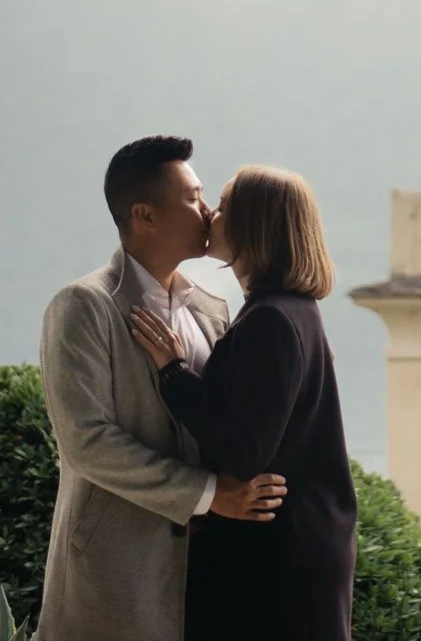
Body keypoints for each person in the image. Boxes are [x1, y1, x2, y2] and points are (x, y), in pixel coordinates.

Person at [34, 136, 287, 641]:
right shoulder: (84, 306)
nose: (209, 209)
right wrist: (210, 495)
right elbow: (87, 442)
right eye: (193, 197)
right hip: (113, 580)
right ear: (145, 215)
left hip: (208, 576)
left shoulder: (214, 309)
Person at [132, 163, 357, 641]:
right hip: (295, 550)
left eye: (226, 204)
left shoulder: (271, 320)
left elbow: (243, 450)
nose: (212, 212)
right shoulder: (292, 312)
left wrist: (173, 374)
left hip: (274, 563)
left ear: (254, 222)